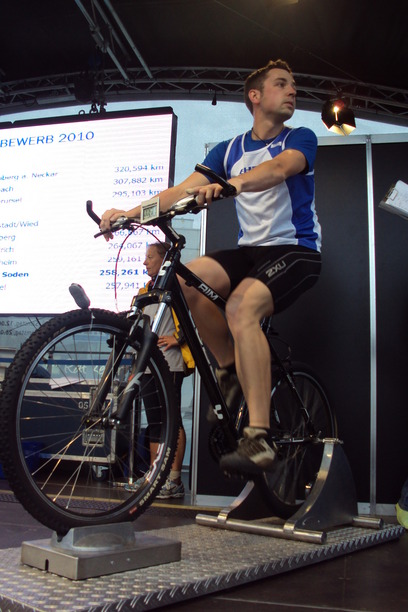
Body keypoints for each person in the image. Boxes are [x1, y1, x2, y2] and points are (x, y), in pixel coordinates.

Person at [101, 59, 321, 478]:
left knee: (240, 308)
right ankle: (231, 370)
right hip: (252, 251)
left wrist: (231, 184)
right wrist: (128, 214)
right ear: (255, 96)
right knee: (187, 282)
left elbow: (279, 169)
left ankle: (259, 437)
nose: (292, 91)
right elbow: (180, 191)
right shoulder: (229, 149)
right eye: (281, 84)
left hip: (296, 250)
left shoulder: (300, 137)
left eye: (293, 85)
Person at [134, 242, 193, 499]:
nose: (145, 262)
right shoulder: (144, 291)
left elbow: (194, 317)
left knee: (172, 420)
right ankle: (155, 477)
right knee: (155, 422)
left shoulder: (176, 287)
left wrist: (178, 338)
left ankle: (174, 479)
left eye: (149, 257)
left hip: (170, 363)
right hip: (148, 366)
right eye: (145, 257)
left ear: (163, 259)